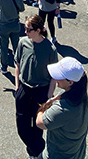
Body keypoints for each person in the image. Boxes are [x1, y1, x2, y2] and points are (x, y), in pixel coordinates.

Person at [14, 15, 58, 159]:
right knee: (22, 127)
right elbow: (18, 64)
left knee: (37, 126)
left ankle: (34, 154)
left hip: (41, 91)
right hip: (24, 89)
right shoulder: (23, 43)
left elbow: (53, 76)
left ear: (39, 30)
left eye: (28, 29)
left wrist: (49, 96)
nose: (25, 32)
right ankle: (40, 150)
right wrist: (17, 87)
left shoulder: (50, 48)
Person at [36, 57, 88, 159]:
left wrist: (45, 105)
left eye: (60, 76)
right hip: (76, 154)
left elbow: (39, 123)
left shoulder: (62, 109)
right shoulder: (81, 96)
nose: (55, 78)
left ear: (70, 82)